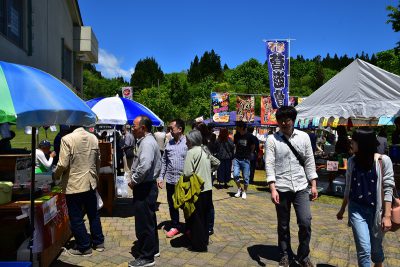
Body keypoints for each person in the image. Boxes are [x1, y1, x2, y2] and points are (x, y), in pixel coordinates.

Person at [265, 106, 318, 267]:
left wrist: (313, 184)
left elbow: (309, 160)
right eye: (281, 120)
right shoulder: (272, 139)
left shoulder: (304, 137)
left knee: (305, 221)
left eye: (287, 120)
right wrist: (272, 188)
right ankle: (285, 254)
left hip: (301, 186)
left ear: (293, 120)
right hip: (281, 187)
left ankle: (303, 255)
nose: (284, 123)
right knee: (283, 224)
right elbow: (269, 164)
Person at [336, 128, 395, 267]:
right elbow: (348, 188)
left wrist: (387, 216)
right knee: (364, 248)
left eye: (354, 141)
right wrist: (343, 209)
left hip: (377, 212)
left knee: (376, 249)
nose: (351, 144)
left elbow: (388, 188)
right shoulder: (352, 161)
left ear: (363, 143)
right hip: (357, 210)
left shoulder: (383, 161)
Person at [53, 126, 104, 256]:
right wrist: (95, 178)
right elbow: (98, 161)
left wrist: (55, 175)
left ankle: (84, 246)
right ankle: (98, 242)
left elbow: (63, 164)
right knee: (93, 213)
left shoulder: (67, 139)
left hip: (74, 184)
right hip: (90, 182)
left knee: (76, 216)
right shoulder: (93, 138)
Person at [128, 115, 161, 267]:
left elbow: (144, 166)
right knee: (149, 220)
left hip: (145, 187)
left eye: (134, 126)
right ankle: (152, 249)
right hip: (148, 186)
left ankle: (147, 257)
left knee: (144, 223)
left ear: (143, 128)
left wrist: (133, 181)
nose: (132, 129)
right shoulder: (148, 141)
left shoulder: (147, 143)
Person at [183, 130, 220, 252]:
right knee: (205, 216)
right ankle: (204, 240)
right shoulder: (205, 150)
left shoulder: (191, 152)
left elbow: (187, 173)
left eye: (187, 139)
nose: (186, 142)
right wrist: (209, 172)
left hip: (197, 189)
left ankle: (198, 245)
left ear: (192, 140)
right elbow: (217, 162)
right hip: (208, 188)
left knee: (196, 218)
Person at [157, 119, 187, 238]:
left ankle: (188, 226)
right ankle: (175, 225)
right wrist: (160, 177)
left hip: (183, 181)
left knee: (186, 205)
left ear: (180, 129)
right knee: (172, 205)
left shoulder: (187, 143)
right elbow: (164, 161)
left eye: (171, 129)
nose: (169, 131)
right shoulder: (168, 143)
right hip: (170, 180)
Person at [233, 121, 255, 199]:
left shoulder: (250, 136)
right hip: (237, 158)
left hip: (246, 159)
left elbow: (253, 146)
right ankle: (239, 189)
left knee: (246, 178)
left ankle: (245, 191)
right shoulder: (236, 136)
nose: (236, 128)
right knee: (235, 175)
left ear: (241, 127)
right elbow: (235, 145)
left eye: (237, 127)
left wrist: (250, 154)